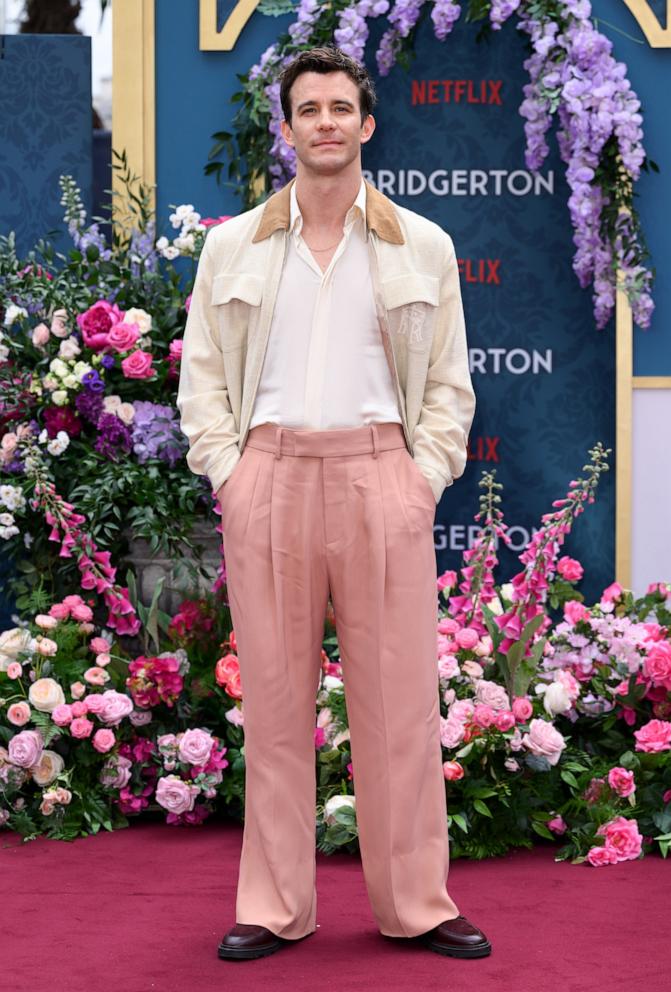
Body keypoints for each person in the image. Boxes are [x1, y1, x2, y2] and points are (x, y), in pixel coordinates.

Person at [176, 45, 490, 962]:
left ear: (366, 124)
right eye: (306, 108)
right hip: (266, 478)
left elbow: (447, 384)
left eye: (339, 107)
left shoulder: (420, 244)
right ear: (285, 128)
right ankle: (274, 906)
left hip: (378, 477)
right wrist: (229, 474)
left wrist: (419, 477)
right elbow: (200, 377)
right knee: (274, 704)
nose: (323, 122)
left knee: (398, 706)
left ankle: (417, 904)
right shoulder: (231, 245)